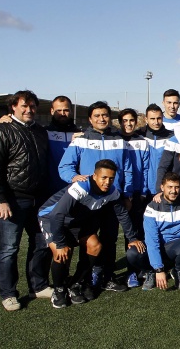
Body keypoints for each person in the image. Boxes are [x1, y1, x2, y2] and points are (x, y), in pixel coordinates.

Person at [39, 159, 145, 307]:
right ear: (94, 176)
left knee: (95, 246)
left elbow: (122, 214)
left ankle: (74, 284)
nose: (107, 182)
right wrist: (60, 243)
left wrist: (132, 238)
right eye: (104, 177)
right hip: (51, 218)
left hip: (75, 222)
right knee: (62, 252)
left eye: (111, 178)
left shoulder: (112, 191)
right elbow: (57, 215)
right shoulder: (81, 187)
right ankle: (59, 289)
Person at [0, 90, 52, 311]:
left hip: (39, 199)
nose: (29, 110)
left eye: (32, 106)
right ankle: (9, 294)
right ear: (13, 107)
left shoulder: (40, 131)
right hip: (12, 200)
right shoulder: (1, 132)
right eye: (24, 105)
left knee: (41, 243)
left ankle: (38, 285)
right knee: (9, 248)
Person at [58, 101, 133, 292]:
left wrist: (127, 194)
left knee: (110, 239)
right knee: (89, 240)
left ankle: (107, 276)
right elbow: (64, 167)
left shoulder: (119, 139)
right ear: (90, 119)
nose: (101, 119)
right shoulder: (81, 140)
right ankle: (87, 277)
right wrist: (74, 177)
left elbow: (128, 169)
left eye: (105, 115)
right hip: (88, 202)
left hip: (113, 200)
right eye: (97, 115)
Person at [136, 172, 180, 291]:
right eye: (169, 187)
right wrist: (159, 269)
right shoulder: (152, 207)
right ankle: (151, 272)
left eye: (177, 187)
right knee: (133, 254)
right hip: (158, 244)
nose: (173, 191)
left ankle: (178, 270)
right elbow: (152, 239)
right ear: (162, 187)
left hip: (176, 244)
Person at [118, 108, 151, 288]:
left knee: (137, 231)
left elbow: (146, 168)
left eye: (132, 120)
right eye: (125, 120)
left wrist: (144, 191)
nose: (129, 124)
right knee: (120, 234)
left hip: (137, 193)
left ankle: (139, 268)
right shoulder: (114, 140)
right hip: (118, 193)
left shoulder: (142, 142)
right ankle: (126, 271)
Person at [44, 95, 82, 194]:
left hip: (73, 187)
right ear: (52, 111)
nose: (62, 114)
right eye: (58, 110)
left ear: (71, 111)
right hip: (49, 189)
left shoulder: (80, 135)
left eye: (66, 110)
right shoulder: (44, 133)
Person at [138, 103, 174, 196]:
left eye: (159, 118)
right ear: (146, 119)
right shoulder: (139, 136)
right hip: (142, 189)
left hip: (164, 189)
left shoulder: (172, 137)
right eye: (152, 119)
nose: (156, 122)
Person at [161, 89, 180, 164]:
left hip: (178, 164)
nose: (172, 106)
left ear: (179, 104)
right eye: (169, 103)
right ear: (163, 103)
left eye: (175, 103)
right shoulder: (157, 121)